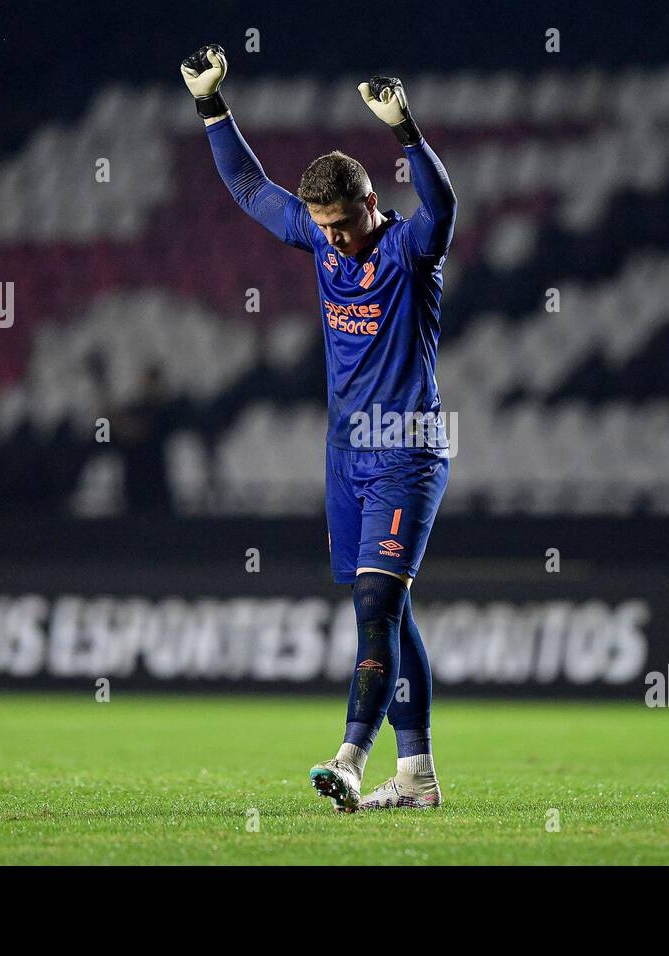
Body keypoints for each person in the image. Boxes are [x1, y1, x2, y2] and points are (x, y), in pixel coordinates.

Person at [182, 45, 457, 811]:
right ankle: (419, 778)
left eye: (342, 223)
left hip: (406, 451)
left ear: (371, 203)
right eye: (324, 226)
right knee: (389, 614)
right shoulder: (317, 240)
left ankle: (350, 759)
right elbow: (246, 186)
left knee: (376, 606)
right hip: (346, 458)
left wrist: (406, 129)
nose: (334, 239)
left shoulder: (406, 250)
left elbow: (443, 209)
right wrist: (212, 106)